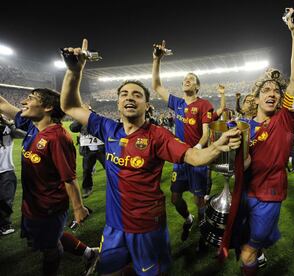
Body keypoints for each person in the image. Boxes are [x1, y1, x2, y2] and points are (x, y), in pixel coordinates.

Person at [59, 38, 241, 276]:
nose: (130, 97)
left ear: (147, 105)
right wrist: (74, 71)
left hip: (147, 228)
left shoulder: (158, 136)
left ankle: (199, 221)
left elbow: (194, 157)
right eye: (124, 94)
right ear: (118, 102)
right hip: (114, 228)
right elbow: (70, 105)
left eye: (137, 94)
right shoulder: (107, 128)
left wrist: (216, 147)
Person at [218, 8, 294, 276]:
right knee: (242, 246)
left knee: (247, 251)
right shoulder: (243, 126)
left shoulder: (285, 120)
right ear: (255, 99)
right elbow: (234, 163)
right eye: (266, 90)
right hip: (243, 193)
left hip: (268, 196)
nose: (272, 93)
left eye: (276, 91)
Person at [0, 89, 96, 276]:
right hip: (32, 202)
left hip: (48, 206)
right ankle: (89, 253)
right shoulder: (31, 125)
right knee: (47, 238)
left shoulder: (57, 137)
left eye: (30, 98)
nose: (23, 102)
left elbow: (69, 177)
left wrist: (78, 208)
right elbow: (3, 105)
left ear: (48, 107)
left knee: (50, 248)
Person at [152, 41, 215, 246]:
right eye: (185, 79)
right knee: (175, 198)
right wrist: (157, 59)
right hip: (179, 160)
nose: (186, 81)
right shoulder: (177, 103)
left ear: (197, 86)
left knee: (199, 199)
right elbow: (156, 86)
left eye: (191, 79)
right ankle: (188, 220)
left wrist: (196, 149)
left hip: (197, 159)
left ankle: (204, 228)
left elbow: (206, 133)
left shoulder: (204, 104)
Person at [69, 106, 106, 198]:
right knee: (87, 170)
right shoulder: (80, 120)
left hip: (100, 149)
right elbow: (73, 128)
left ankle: (117, 185)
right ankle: (87, 187)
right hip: (88, 150)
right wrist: (80, 119)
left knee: (109, 168)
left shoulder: (98, 117)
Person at [0, 115, 25, 235]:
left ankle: (5, 224)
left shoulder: (8, 128)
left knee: (6, 200)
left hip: (6, 169)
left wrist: (9, 124)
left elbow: (23, 135)